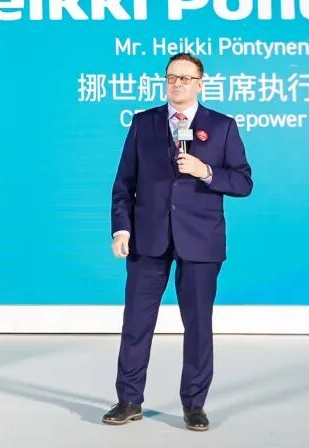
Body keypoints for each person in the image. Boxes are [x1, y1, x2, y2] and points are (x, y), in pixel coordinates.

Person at [103, 52, 253, 431]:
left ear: (200, 83)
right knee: (136, 322)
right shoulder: (144, 123)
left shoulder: (222, 126)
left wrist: (206, 171)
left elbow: (243, 182)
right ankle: (129, 400)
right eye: (172, 77)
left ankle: (194, 404)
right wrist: (122, 229)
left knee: (198, 324)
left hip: (201, 240)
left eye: (186, 78)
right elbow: (123, 184)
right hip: (147, 238)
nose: (178, 84)